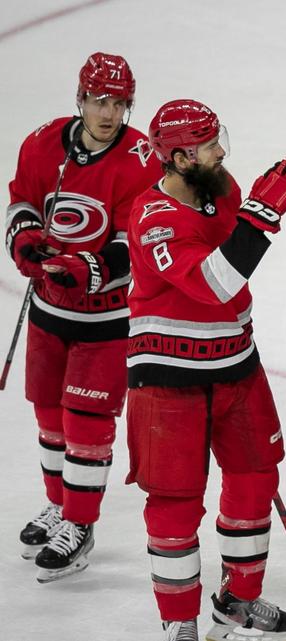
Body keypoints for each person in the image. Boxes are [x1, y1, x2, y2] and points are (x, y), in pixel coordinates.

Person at [125, 99, 286, 641]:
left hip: (238, 367)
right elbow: (213, 286)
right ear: (181, 158)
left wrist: (252, 214)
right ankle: (180, 623)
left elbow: (236, 253)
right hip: (168, 381)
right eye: (208, 144)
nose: (221, 150)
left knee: (256, 479)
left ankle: (238, 601)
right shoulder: (153, 217)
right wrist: (261, 217)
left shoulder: (220, 188)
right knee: (175, 502)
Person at [5, 52, 161, 582]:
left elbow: (134, 240)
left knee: (86, 424)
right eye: (100, 100)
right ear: (80, 98)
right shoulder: (43, 141)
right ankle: (57, 504)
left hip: (108, 320)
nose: (110, 113)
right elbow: (22, 198)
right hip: (50, 311)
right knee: (49, 416)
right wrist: (24, 237)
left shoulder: (141, 159)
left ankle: (79, 523)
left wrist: (89, 267)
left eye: (120, 103)